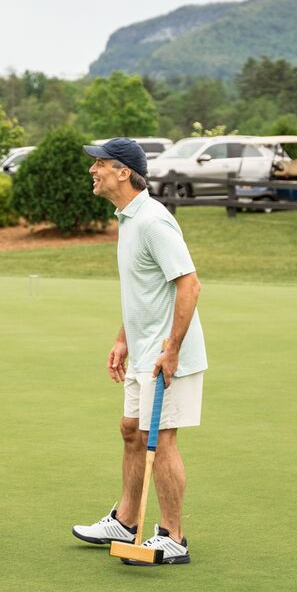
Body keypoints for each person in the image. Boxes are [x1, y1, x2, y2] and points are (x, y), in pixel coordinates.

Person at [71, 137, 205, 565]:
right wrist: (123, 337)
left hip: (167, 355)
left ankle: (173, 537)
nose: (93, 170)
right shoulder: (127, 219)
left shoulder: (152, 221)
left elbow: (189, 284)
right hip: (143, 348)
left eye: (100, 164)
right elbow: (143, 291)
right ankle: (125, 520)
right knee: (131, 429)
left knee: (159, 440)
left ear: (124, 172)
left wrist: (172, 349)